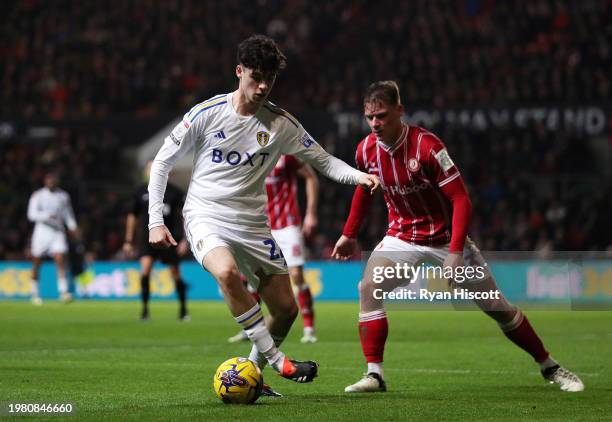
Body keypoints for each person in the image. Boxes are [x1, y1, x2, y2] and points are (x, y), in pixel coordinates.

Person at [147, 35, 379, 392]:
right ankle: (278, 361)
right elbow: (162, 161)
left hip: (253, 224)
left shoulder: (281, 125)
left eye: (270, 78)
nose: (263, 86)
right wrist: (155, 222)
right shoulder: (206, 114)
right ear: (239, 72)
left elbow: (324, 161)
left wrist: (359, 176)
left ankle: (253, 375)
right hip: (206, 214)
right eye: (256, 76)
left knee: (286, 310)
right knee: (225, 271)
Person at [332, 81, 584, 393]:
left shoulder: (428, 147)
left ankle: (550, 365)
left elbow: (461, 199)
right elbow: (365, 189)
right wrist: (349, 233)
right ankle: (375, 374)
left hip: (444, 240)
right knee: (368, 286)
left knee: (497, 307)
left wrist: (454, 252)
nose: (375, 124)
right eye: (369, 117)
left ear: (400, 110)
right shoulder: (365, 150)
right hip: (402, 237)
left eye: (381, 116)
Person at [228, 155, 320, 343]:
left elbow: (311, 177)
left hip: (287, 225)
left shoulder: (286, 156)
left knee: (296, 275)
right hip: (261, 226)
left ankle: (309, 328)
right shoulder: (251, 156)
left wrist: (310, 213)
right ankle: (252, 330)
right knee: (254, 280)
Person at [123, 160, 189, 321]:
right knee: (145, 270)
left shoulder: (175, 192)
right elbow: (132, 216)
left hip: (170, 238)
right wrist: (128, 240)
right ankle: (145, 311)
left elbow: (184, 216)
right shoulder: (140, 192)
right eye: (149, 169)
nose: (151, 172)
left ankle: (183, 310)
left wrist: (185, 239)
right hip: (147, 238)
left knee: (175, 273)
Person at [27, 172, 79, 304]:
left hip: (57, 232)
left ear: (57, 181)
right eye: (49, 180)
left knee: (60, 258)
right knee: (37, 261)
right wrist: (46, 216)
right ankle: (34, 292)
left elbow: (68, 213)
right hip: (42, 231)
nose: (51, 182)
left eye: (53, 180)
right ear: (45, 181)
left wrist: (72, 226)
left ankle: (63, 292)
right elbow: (31, 215)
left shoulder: (63, 196)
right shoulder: (38, 195)